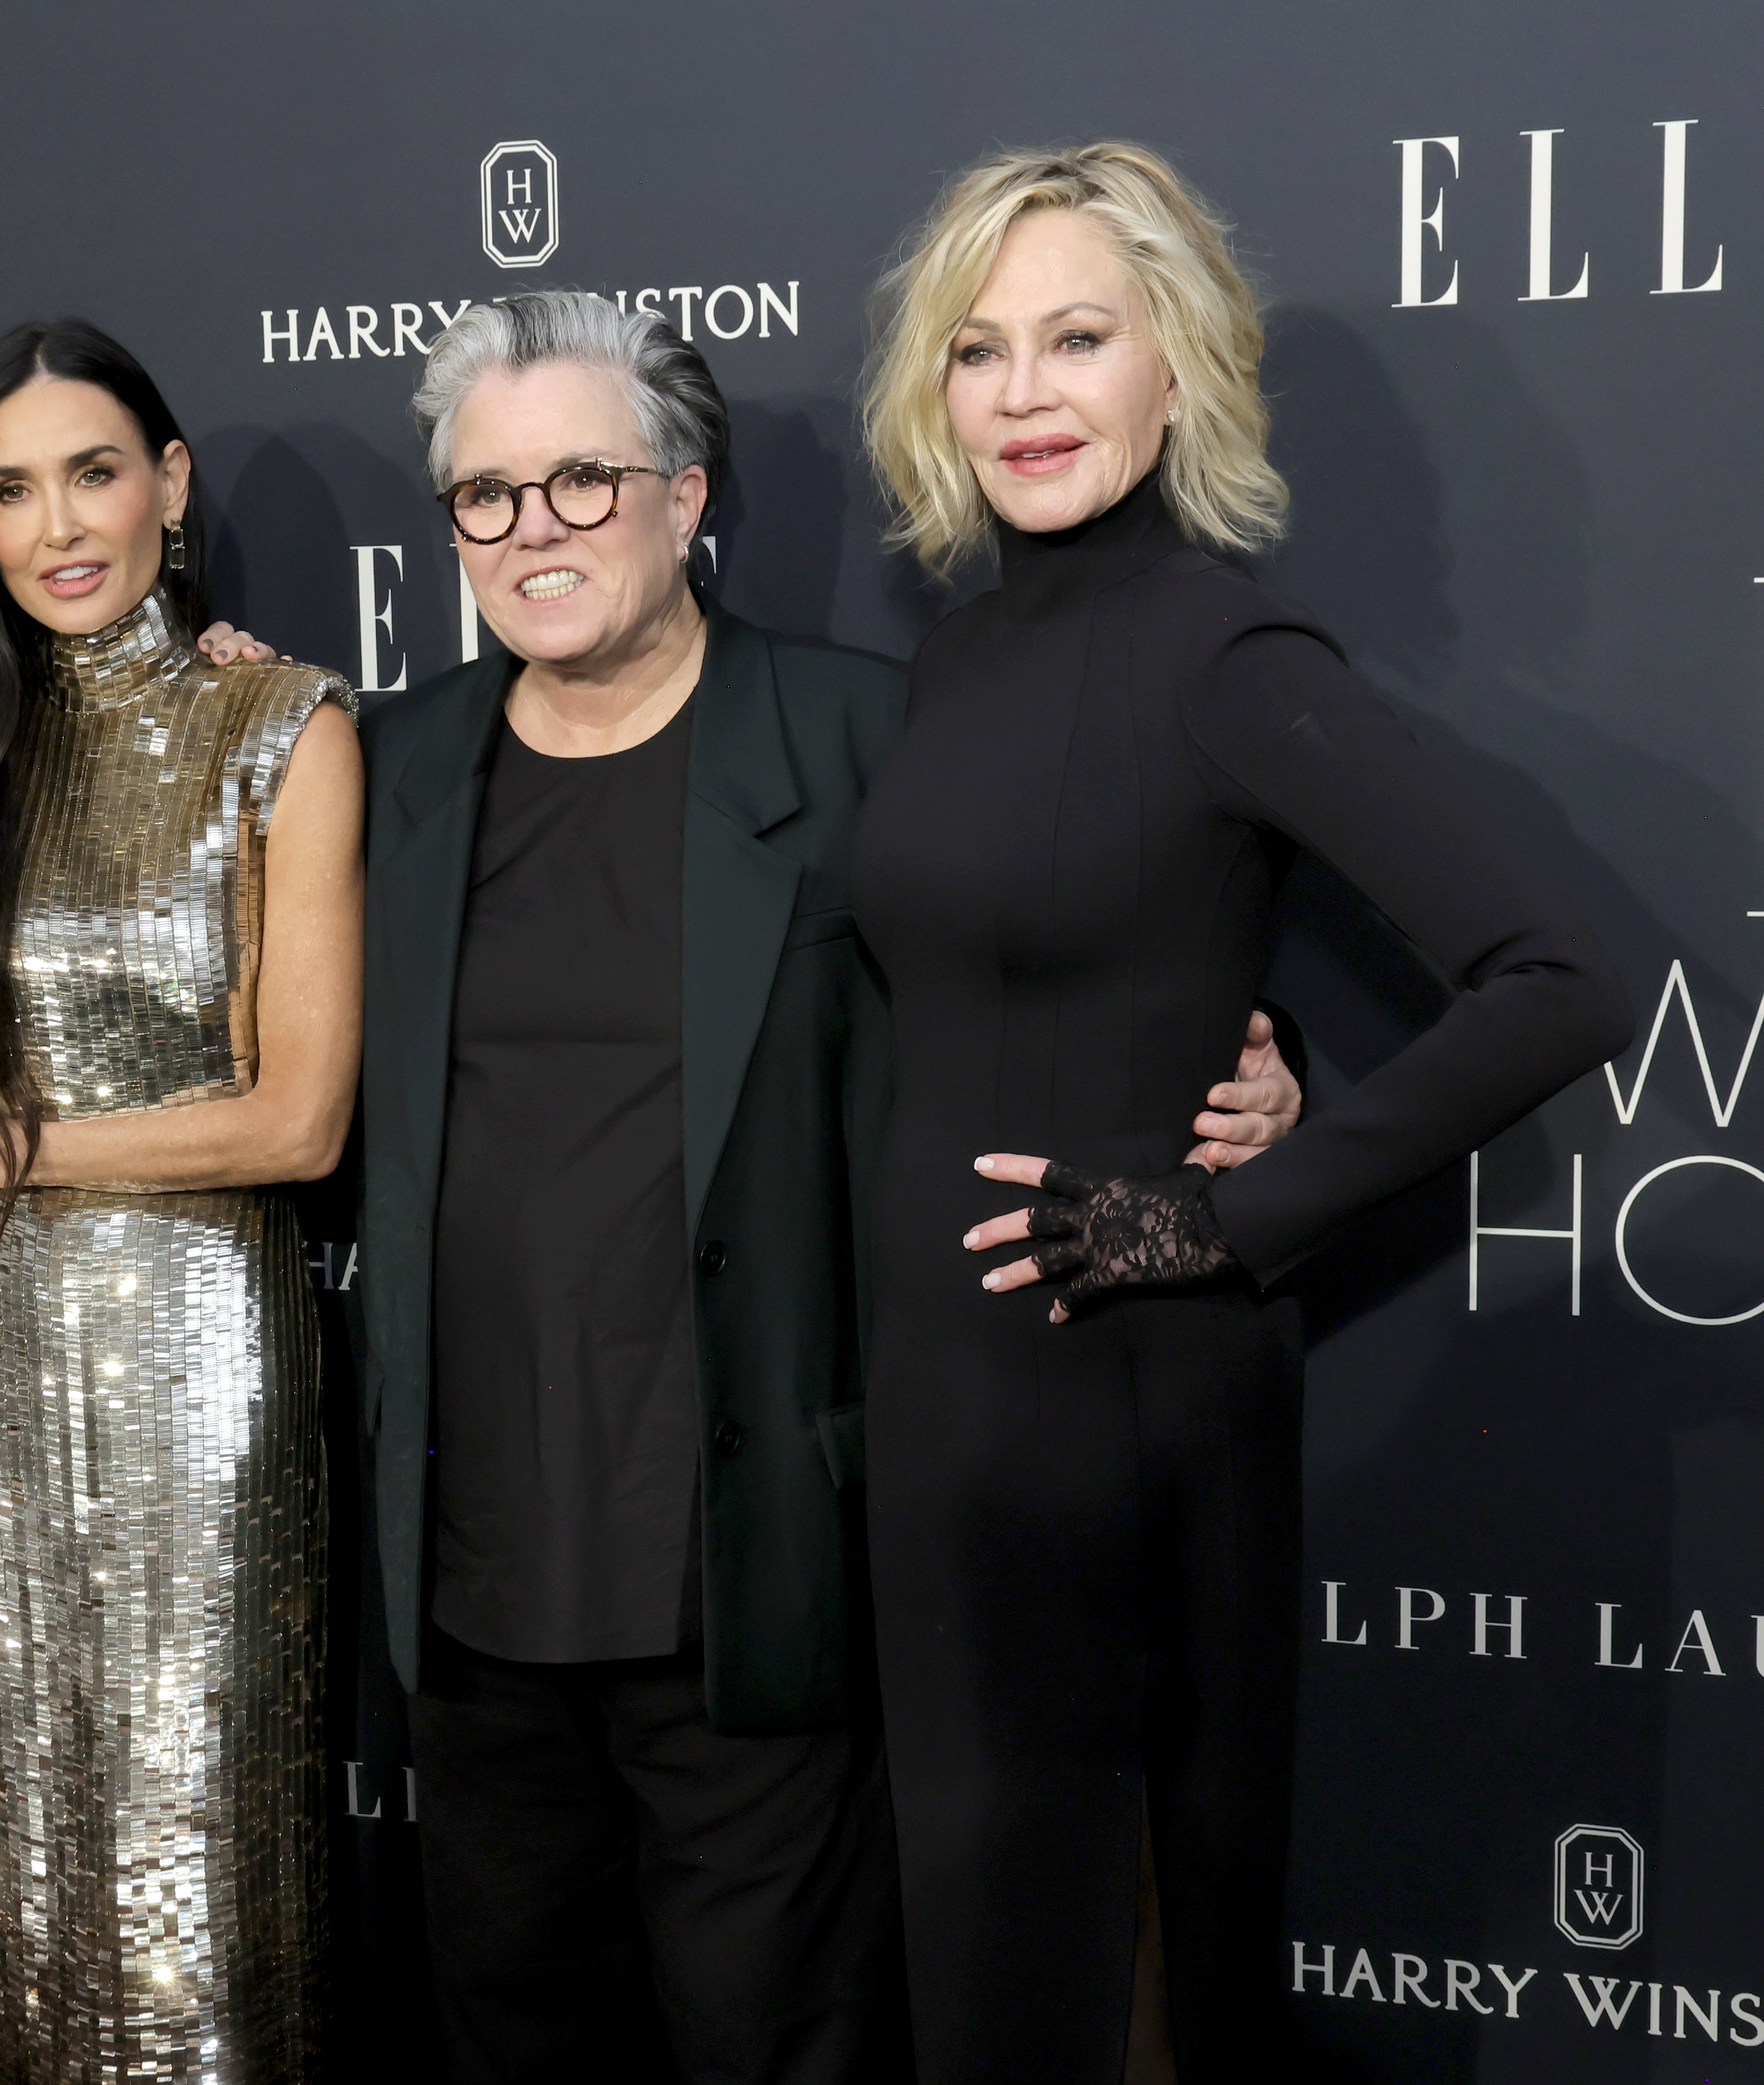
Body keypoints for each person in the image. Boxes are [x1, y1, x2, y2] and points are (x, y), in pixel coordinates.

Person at [355, 291, 1302, 2084]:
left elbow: (1085, 939)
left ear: (688, 493)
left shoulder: (866, 736)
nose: (530, 532)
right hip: (470, 1605)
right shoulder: (388, 770)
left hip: (758, 1578)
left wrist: (1269, 1061)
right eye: (484, 497)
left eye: (578, 481)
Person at [851, 143, 1633, 2081]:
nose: (1024, 391)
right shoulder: (956, 652)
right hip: (948, 1418)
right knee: (985, 1974)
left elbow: (1564, 977)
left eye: (1078, 338)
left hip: (1124, 1405)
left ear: (1177, 369)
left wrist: (1219, 1219)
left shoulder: (1227, 650)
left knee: (1115, 1966)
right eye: (980, 348)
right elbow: (1077, 936)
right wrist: (1254, 1017)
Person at [0, 319, 363, 2081]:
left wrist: (5, 1156)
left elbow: (300, 1118)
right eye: (10, 490)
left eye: (95, 471)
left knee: (202, 1863)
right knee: (6, 1856)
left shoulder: (284, 720)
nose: (58, 525)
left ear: (171, 484)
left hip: (207, 1362)